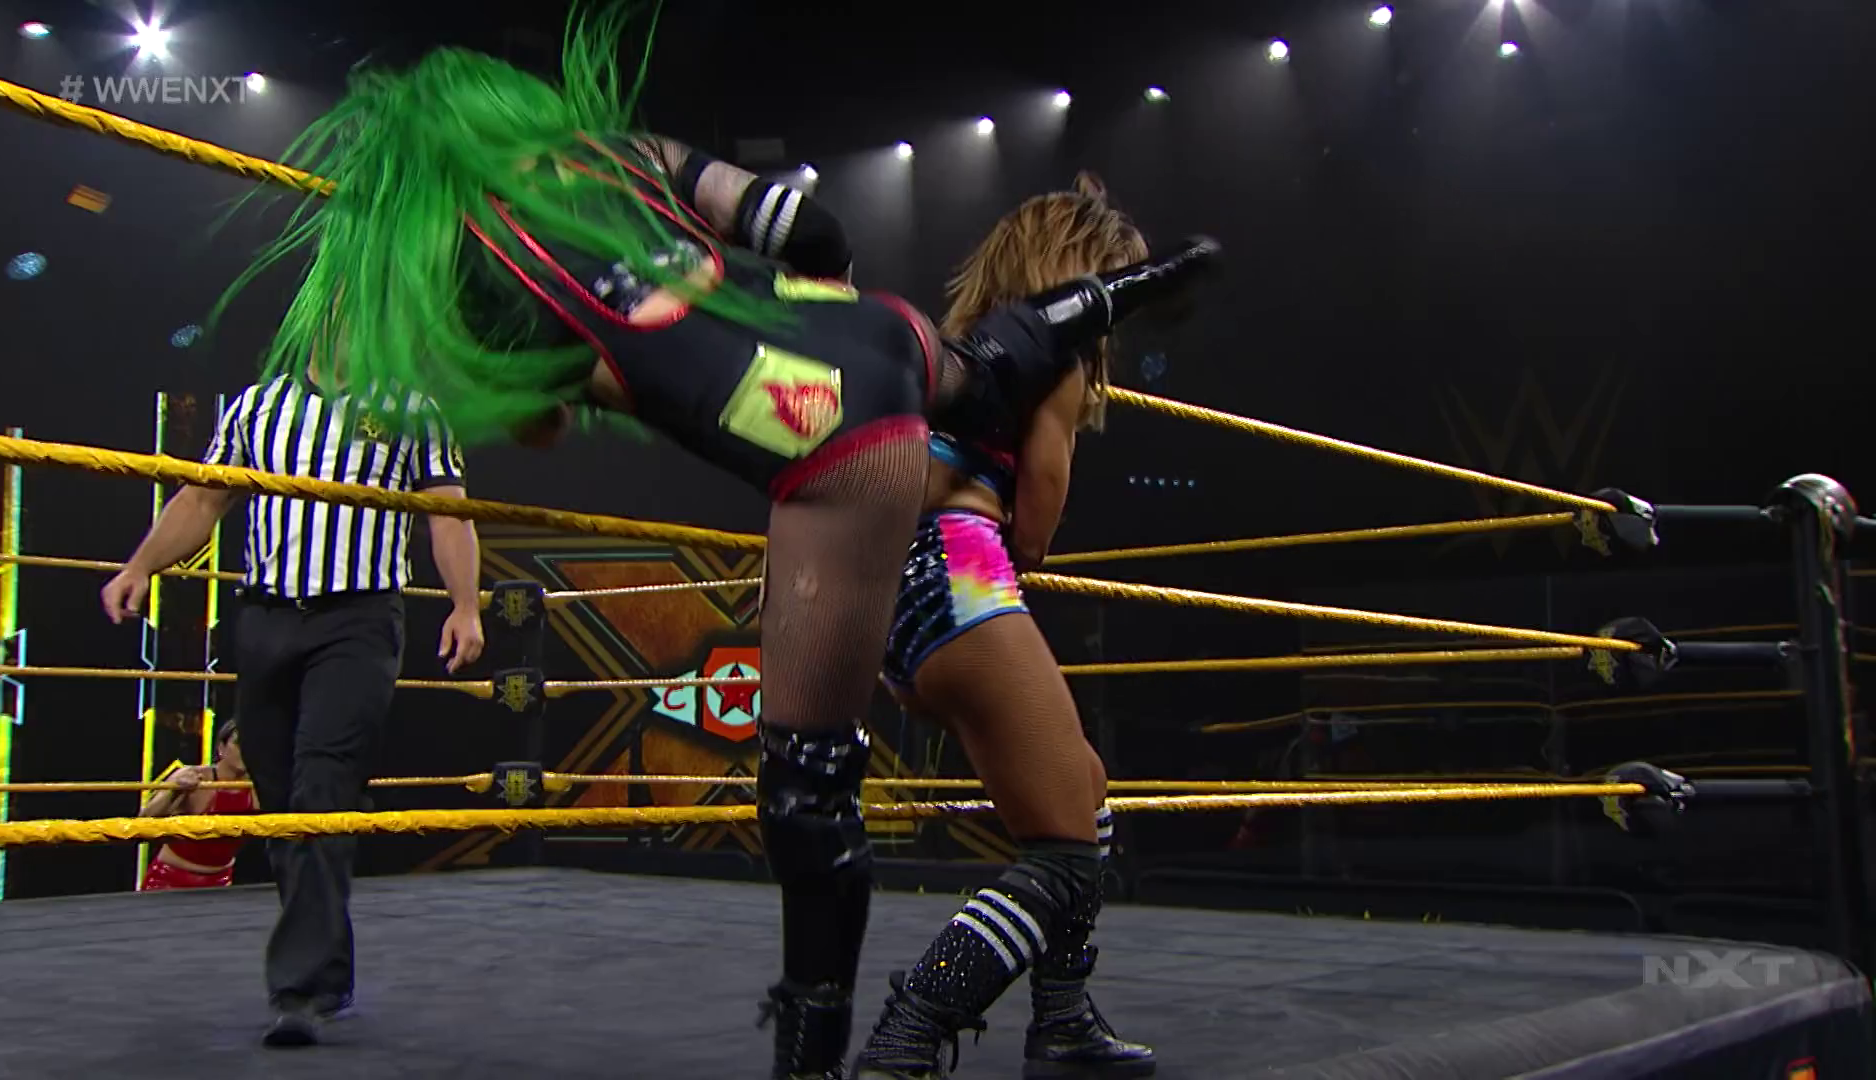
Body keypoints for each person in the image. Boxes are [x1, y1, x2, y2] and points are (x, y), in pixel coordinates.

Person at [208, 8, 1220, 1075]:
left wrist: (584, 361)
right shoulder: (631, 157)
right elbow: (812, 232)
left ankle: (875, 1050)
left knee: (814, 788)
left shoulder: (470, 270)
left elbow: (539, 420)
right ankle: (914, 1031)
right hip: (880, 355)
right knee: (1060, 817)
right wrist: (785, 308)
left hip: (836, 457)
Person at [856, 177, 1163, 1079]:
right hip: (961, 572)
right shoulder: (1055, 361)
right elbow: (1033, 528)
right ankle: (909, 1030)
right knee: (1065, 851)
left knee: (1084, 793)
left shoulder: (954, 354)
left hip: (888, 593)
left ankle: (1062, 1021)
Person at [99, 374, 485, 1048]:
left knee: (322, 785)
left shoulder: (411, 408)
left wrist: (465, 604)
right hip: (266, 617)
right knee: (280, 801)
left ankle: (298, 991)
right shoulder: (257, 406)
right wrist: (140, 566)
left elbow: (447, 513)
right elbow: (203, 497)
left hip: (357, 618)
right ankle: (326, 970)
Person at [138, 717, 259, 891]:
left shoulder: (257, 787)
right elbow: (143, 823)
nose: (246, 750)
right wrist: (174, 791)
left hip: (220, 883)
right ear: (221, 748)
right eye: (238, 743)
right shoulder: (194, 776)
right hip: (170, 880)